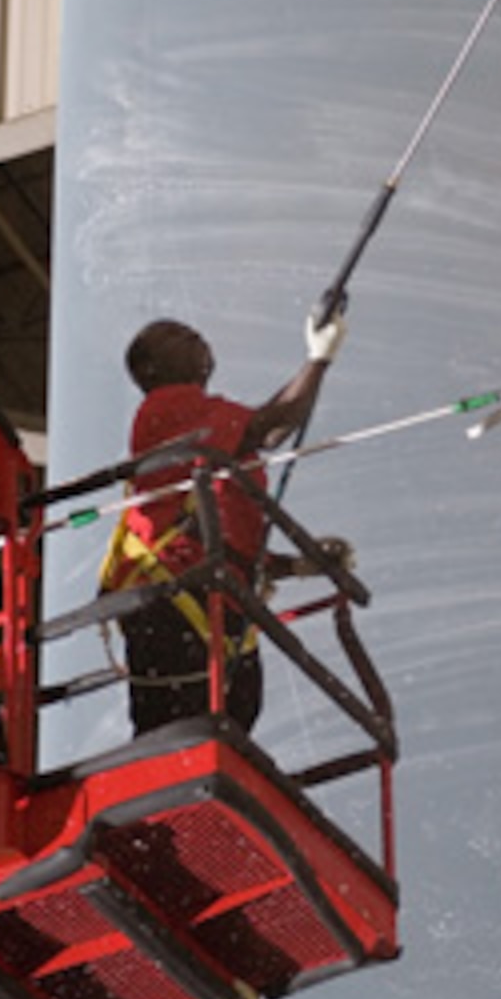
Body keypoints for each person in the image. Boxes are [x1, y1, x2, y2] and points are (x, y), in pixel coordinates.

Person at [100, 311, 347, 736]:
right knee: (187, 742)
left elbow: (227, 539)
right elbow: (270, 428)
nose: (194, 335)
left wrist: (297, 566)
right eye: (175, 335)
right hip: (178, 600)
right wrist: (318, 358)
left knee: (204, 740)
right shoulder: (168, 405)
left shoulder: (210, 430)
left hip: (210, 607)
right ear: (150, 369)